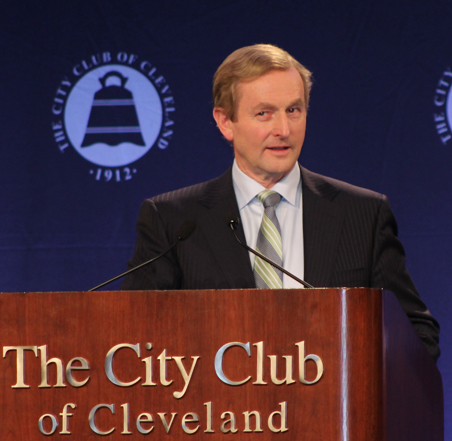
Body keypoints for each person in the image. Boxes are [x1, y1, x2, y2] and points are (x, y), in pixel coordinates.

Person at [121, 44, 440, 361]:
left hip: (332, 408)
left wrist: (358, 371)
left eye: (293, 110)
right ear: (225, 122)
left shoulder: (362, 214)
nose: (283, 130)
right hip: (218, 411)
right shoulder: (173, 220)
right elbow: (134, 336)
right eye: (264, 113)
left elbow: (417, 333)